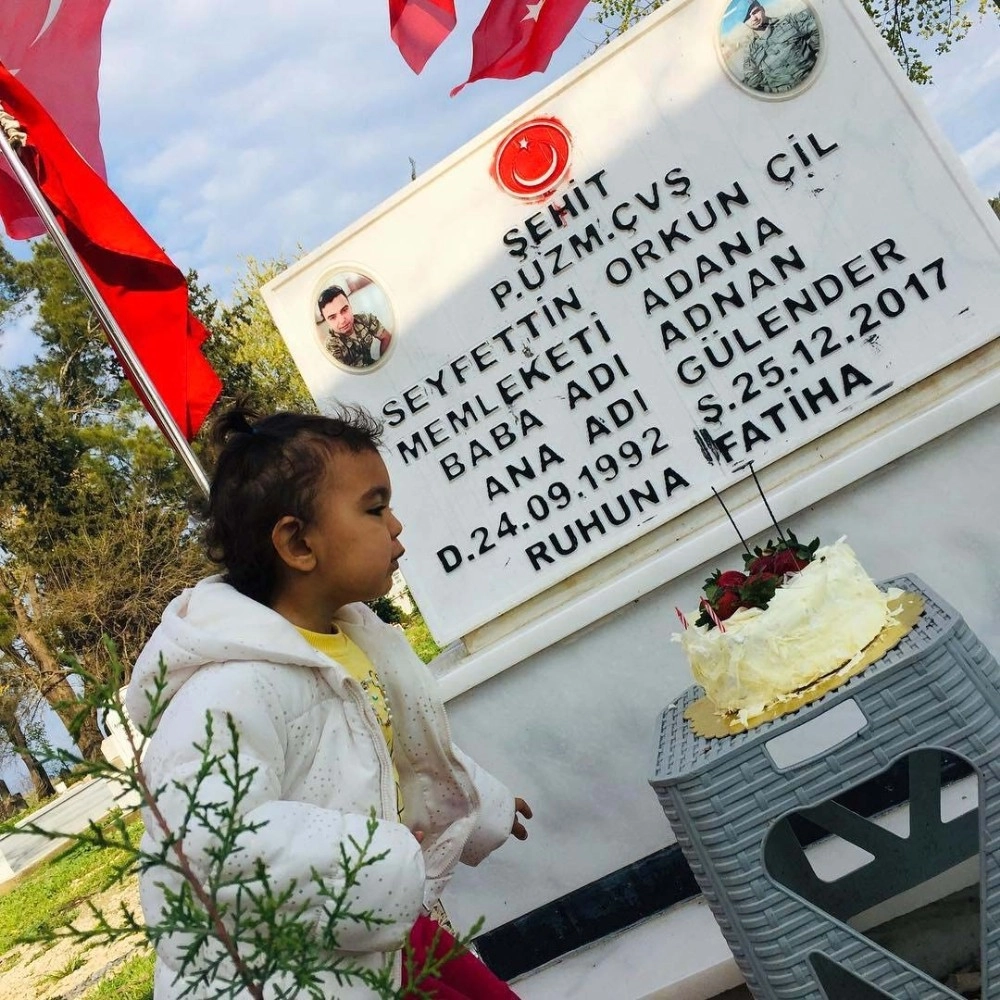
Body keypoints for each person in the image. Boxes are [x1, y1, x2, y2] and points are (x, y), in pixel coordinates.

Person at [125, 404, 531, 999]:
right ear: (296, 543)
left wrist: (484, 801)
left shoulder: (358, 637)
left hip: (371, 933)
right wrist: (385, 860)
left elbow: (393, 744)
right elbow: (213, 843)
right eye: (374, 508)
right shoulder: (229, 688)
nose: (396, 527)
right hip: (295, 972)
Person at [741, 0, 820, 95]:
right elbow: (753, 82)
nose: (754, 18)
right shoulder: (750, 51)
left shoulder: (789, 22)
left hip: (815, 80)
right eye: (747, 17)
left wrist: (812, 50)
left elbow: (816, 26)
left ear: (762, 9)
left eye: (755, 12)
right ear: (745, 23)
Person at [318, 284, 392, 368]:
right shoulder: (331, 347)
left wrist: (382, 365)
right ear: (326, 320)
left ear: (350, 305)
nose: (342, 320)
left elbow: (386, 337)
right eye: (333, 317)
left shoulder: (366, 319)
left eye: (344, 310)